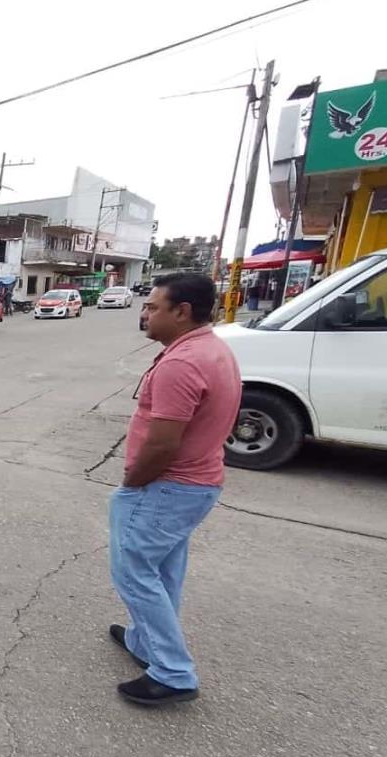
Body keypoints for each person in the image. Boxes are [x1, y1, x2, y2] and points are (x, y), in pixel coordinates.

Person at [108, 273, 241, 707]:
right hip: (194, 485)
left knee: (134, 573)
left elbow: (163, 443)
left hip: (168, 486)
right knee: (163, 571)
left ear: (181, 312)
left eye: (152, 306)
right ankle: (145, 644)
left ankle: (173, 672)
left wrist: (133, 484)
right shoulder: (210, 347)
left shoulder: (182, 363)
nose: (144, 314)